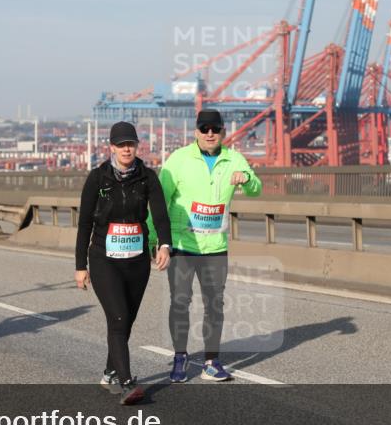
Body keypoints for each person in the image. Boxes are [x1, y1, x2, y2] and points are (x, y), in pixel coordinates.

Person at [158, 109, 262, 382]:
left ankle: (211, 361)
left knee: (214, 304)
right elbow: (159, 202)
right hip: (182, 245)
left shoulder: (234, 158)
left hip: (215, 247)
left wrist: (248, 179)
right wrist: (155, 239)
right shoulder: (178, 160)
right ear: (196, 132)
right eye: (204, 129)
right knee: (180, 302)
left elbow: (256, 188)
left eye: (215, 129)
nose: (209, 134)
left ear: (223, 132)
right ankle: (180, 357)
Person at [75, 121, 172, 405]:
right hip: (104, 258)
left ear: (137, 145)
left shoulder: (147, 177)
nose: (126, 149)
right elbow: (83, 224)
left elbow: (161, 216)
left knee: (125, 320)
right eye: (120, 144)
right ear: (111, 147)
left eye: (130, 143)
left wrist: (164, 244)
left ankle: (109, 371)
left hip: (137, 260)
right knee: (117, 317)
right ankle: (127, 382)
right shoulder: (97, 178)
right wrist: (81, 266)